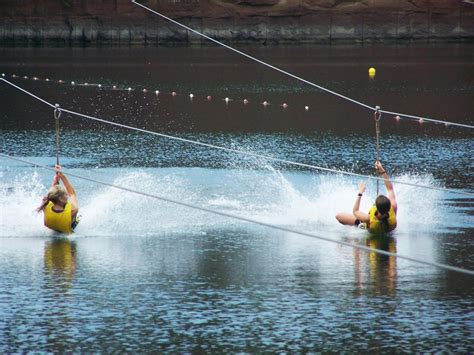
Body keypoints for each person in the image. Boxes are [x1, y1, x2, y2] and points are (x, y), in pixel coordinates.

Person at [336, 161, 397, 233]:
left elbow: (355, 211)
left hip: (370, 229)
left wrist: (360, 192)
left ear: (376, 207)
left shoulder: (368, 219)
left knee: (339, 216)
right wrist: (382, 170)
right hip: (386, 232)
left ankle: (360, 224)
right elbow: (390, 189)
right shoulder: (393, 207)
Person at [37, 165, 79, 234]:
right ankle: (73, 222)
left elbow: (52, 193)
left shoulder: (45, 205)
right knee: (75, 215)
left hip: (52, 226)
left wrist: (56, 179)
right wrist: (62, 176)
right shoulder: (73, 210)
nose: (67, 195)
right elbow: (72, 193)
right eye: (65, 194)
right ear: (60, 199)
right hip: (67, 230)